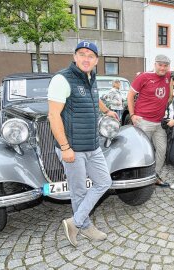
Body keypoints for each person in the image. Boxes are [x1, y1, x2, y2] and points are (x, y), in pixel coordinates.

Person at [48, 41, 118, 247]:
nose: (86, 58)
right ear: (74, 56)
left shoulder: (91, 77)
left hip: (92, 144)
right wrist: (65, 148)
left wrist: (106, 111)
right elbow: (53, 115)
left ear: (96, 60)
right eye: (82, 54)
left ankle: (75, 221)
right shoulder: (62, 79)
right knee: (78, 191)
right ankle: (84, 226)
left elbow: (93, 98)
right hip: (72, 148)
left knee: (104, 182)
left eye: (90, 55)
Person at [127, 54, 172, 187]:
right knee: (142, 152)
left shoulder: (169, 76)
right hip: (143, 121)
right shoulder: (144, 77)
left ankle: (154, 176)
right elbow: (130, 95)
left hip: (159, 123)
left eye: (165, 65)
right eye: (160, 65)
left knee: (162, 150)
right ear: (155, 64)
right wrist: (132, 115)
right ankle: (139, 179)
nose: (163, 68)